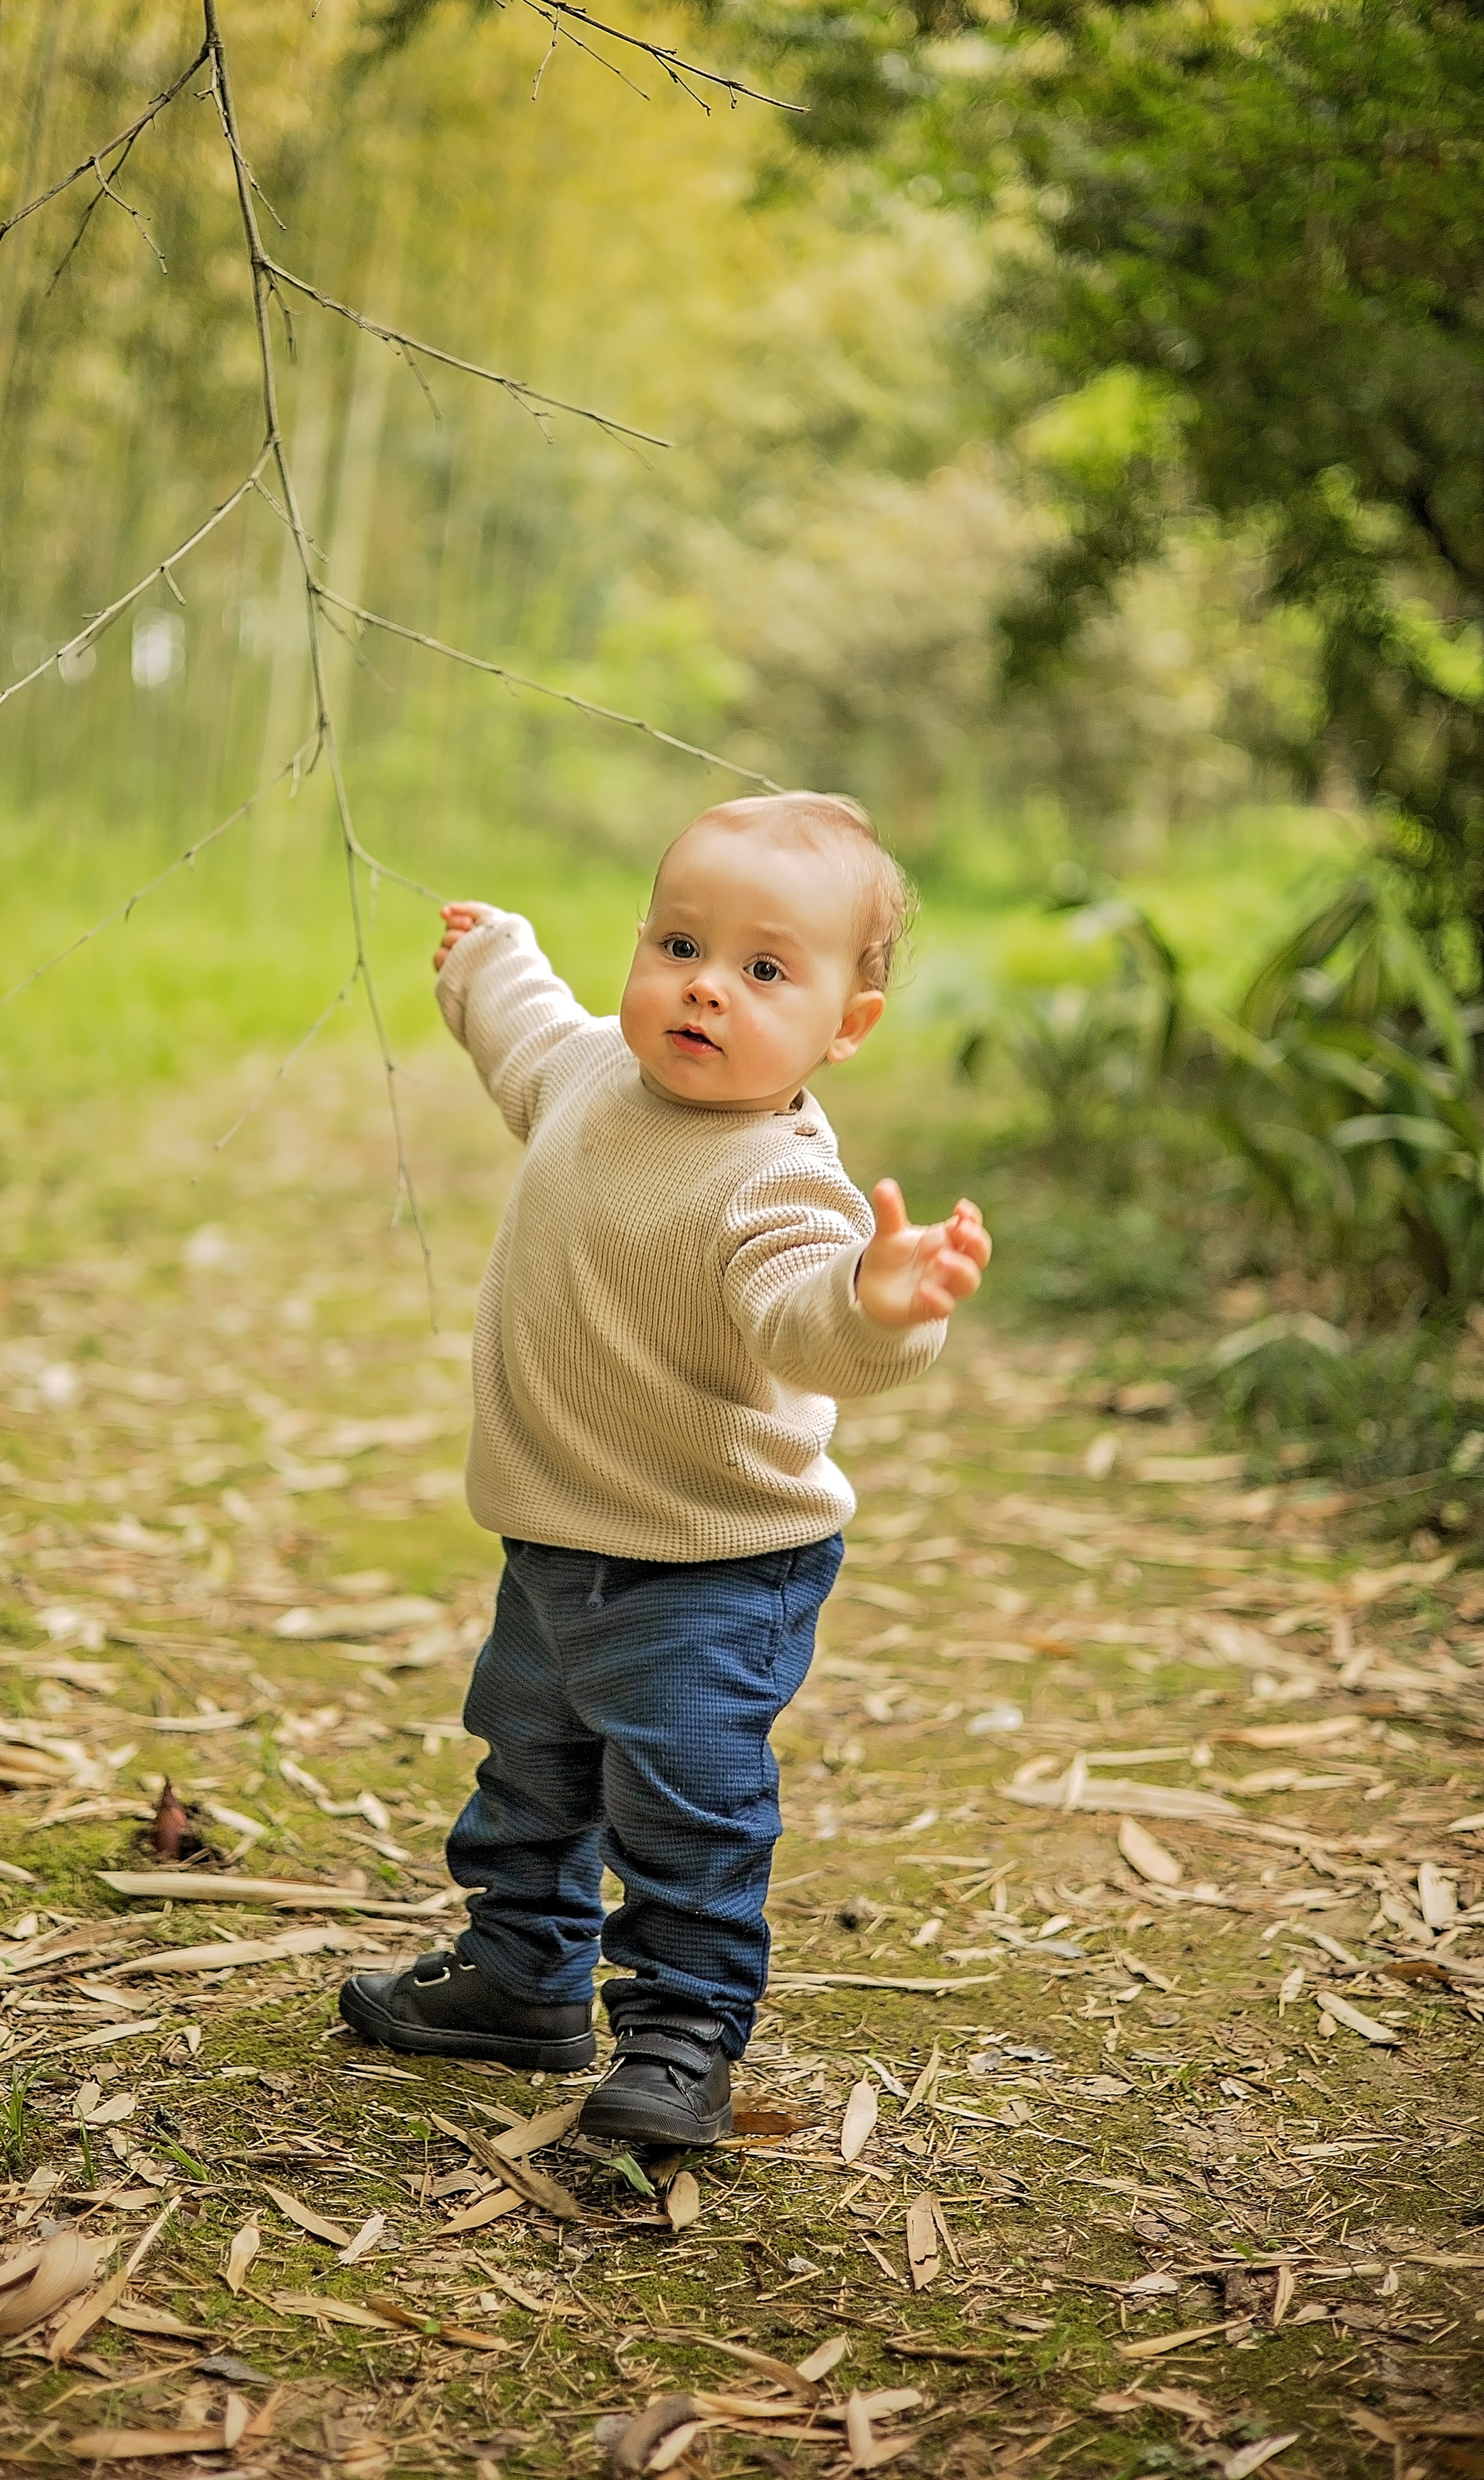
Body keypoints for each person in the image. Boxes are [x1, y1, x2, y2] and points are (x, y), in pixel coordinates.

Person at [339, 791, 990, 2146]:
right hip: (556, 1533)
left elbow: (800, 1316)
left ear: (844, 1027)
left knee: (685, 1813)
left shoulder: (778, 1177)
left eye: (763, 970)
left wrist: (879, 1305)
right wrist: (486, 955)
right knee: (529, 1774)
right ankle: (520, 1977)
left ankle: (683, 2037)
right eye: (677, 944)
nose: (704, 988)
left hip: (712, 1561)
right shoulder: (591, 1075)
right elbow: (527, 1029)